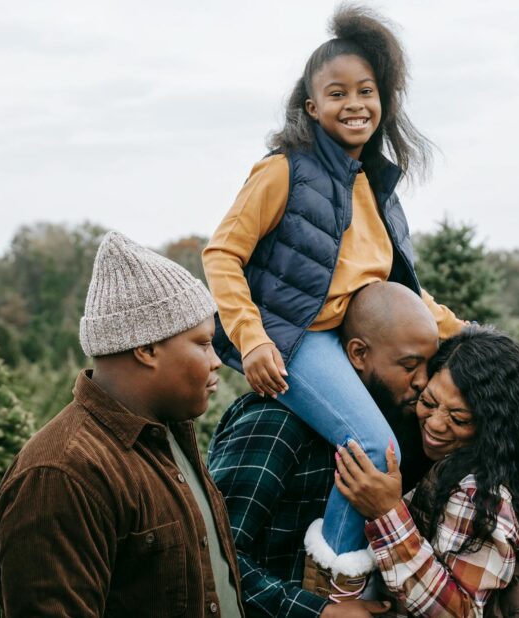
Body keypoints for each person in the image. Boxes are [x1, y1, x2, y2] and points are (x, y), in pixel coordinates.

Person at [202, 5, 465, 596]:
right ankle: (334, 583)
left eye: (366, 92)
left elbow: (399, 288)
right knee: (374, 445)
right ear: (311, 107)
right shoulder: (283, 171)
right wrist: (253, 338)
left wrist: (459, 328)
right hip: (294, 339)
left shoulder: (376, 187)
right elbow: (221, 254)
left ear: (383, 100)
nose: (355, 104)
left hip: (347, 333)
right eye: (337, 93)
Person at [0, 232, 244, 617]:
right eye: (203, 343)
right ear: (147, 348)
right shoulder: (60, 475)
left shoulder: (170, 438)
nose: (216, 361)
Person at [208, 282, 439, 617]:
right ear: (359, 354)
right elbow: (211, 556)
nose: (422, 381)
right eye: (409, 365)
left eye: (428, 368)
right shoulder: (275, 425)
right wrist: (318, 613)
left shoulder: (394, 432)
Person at [335, 327, 519, 618]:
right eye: (428, 402)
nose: (435, 424)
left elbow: (461, 612)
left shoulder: (482, 495)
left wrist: (387, 513)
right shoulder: (459, 461)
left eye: (459, 418)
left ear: (493, 428)